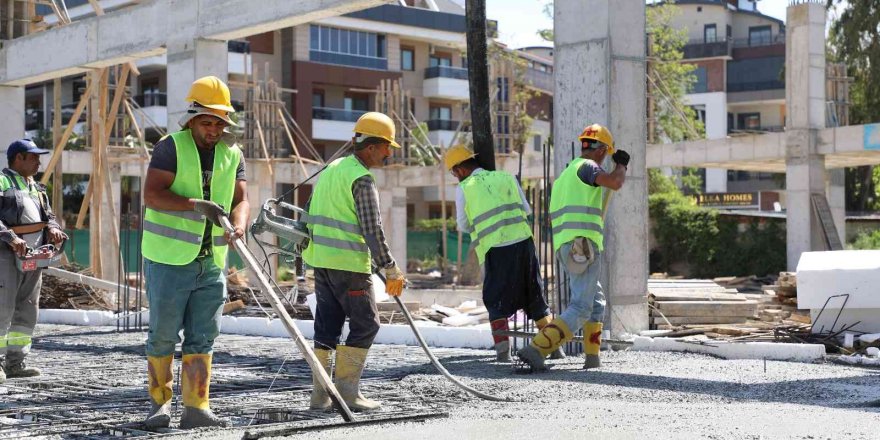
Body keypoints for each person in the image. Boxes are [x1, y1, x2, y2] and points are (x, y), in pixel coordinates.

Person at [141, 76, 249, 429]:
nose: (215, 130)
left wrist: (238, 223)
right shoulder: (170, 146)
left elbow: (241, 200)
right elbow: (153, 195)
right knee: (163, 334)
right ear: (192, 118)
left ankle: (196, 407)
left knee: (203, 336)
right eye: (208, 122)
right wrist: (194, 205)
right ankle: (160, 405)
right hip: (170, 259)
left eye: (220, 123)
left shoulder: (233, 155)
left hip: (212, 262)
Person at [302, 111, 407, 412]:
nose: (389, 153)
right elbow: (372, 228)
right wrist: (390, 268)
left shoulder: (332, 169)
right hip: (349, 266)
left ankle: (320, 396)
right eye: (387, 146)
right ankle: (347, 392)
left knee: (327, 327)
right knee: (366, 325)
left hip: (321, 262)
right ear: (371, 146)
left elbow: (311, 211)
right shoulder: (361, 178)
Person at [517, 123, 629, 372]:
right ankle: (537, 349)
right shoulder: (588, 167)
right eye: (607, 153)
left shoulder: (566, 175)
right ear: (601, 150)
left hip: (570, 247)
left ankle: (592, 358)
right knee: (581, 306)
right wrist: (620, 165)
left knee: (595, 303)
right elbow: (615, 183)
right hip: (583, 246)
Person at [446, 145, 563, 362]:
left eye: (454, 173)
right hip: (525, 244)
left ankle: (502, 353)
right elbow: (526, 210)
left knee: (495, 300)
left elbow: (462, 225)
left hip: (495, 249)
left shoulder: (464, 188)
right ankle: (554, 347)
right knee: (535, 296)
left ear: (460, 169)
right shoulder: (507, 177)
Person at [0, 139, 67, 384]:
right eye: (34, 157)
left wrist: (53, 227)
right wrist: (10, 237)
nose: (39, 162)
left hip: (33, 256)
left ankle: (15, 363)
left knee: (28, 308)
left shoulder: (37, 188)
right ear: (18, 158)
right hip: (6, 256)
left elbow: (48, 216)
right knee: (2, 308)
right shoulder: (3, 182)